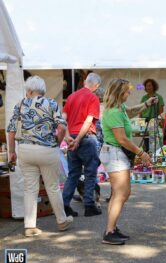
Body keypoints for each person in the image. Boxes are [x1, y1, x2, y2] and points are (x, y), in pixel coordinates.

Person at [7, 76, 73, 237]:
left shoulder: (20, 104)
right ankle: (62, 221)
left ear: (29, 91)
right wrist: (57, 142)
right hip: (47, 150)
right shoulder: (51, 104)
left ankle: (30, 226)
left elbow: (11, 130)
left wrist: (11, 152)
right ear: (42, 90)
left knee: (30, 188)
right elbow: (62, 127)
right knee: (53, 187)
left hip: (25, 150)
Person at [100, 78, 153, 245]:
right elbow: (122, 139)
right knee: (122, 193)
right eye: (126, 91)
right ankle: (109, 231)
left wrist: (146, 104)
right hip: (115, 154)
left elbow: (130, 112)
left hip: (115, 153)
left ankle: (112, 228)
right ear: (119, 93)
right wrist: (141, 153)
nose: (129, 93)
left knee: (118, 193)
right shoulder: (114, 112)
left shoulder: (119, 108)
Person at [62, 72, 102, 217]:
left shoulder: (71, 96)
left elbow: (62, 119)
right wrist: (78, 139)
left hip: (72, 137)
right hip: (85, 138)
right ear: (96, 85)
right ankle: (89, 206)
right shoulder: (93, 98)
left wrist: (67, 137)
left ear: (85, 81)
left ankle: (65, 206)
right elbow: (88, 121)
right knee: (91, 172)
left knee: (73, 174)